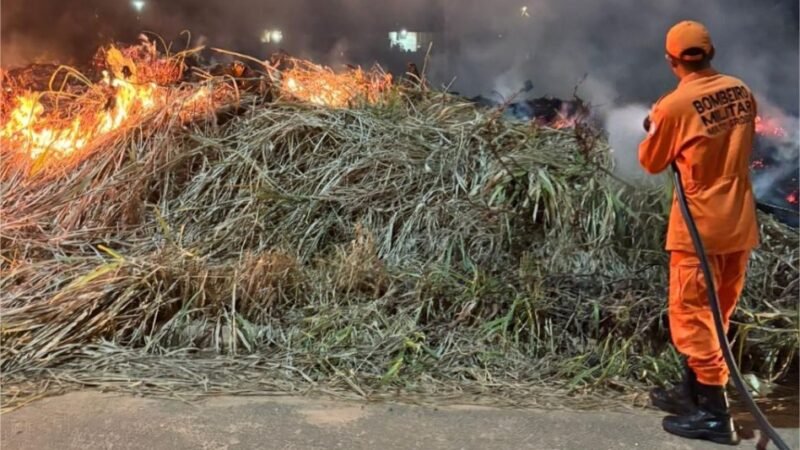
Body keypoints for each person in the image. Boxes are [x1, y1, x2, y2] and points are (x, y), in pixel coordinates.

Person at [638, 20, 760, 445]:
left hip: (700, 228)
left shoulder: (674, 105)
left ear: (672, 60)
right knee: (718, 313)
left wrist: (654, 125)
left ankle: (714, 414)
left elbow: (652, 162)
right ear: (711, 53)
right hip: (739, 221)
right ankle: (693, 392)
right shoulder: (742, 91)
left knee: (692, 318)